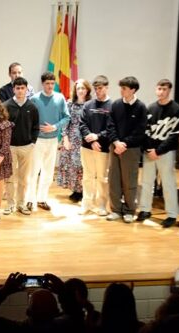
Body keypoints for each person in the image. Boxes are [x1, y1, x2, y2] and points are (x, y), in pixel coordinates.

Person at [138, 79, 179, 228]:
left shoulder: (177, 109)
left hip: (166, 152)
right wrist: (149, 149)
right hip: (150, 152)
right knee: (146, 182)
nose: (161, 92)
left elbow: (174, 136)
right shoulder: (150, 108)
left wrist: (159, 150)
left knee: (168, 183)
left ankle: (171, 214)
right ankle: (145, 209)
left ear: (169, 90)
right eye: (159, 88)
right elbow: (145, 131)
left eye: (164, 89)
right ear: (155, 89)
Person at [106, 76, 148, 223]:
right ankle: (116, 209)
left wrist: (124, 144)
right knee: (114, 180)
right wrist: (116, 142)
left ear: (133, 90)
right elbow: (110, 125)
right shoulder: (116, 105)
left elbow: (140, 131)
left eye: (124, 88)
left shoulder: (141, 107)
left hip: (131, 149)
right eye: (121, 87)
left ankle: (130, 210)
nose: (121, 90)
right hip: (115, 147)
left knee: (129, 180)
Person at [29, 72, 69, 212]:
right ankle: (29, 199)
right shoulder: (34, 99)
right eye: (47, 83)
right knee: (33, 171)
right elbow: (30, 119)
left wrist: (54, 127)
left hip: (52, 140)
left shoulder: (60, 98)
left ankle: (42, 199)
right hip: (38, 140)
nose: (50, 86)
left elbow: (66, 118)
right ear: (42, 84)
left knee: (48, 172)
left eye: (52, 83)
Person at [3, 77, 39, 216]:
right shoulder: (6, 106)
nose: (20, 90)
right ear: (13, 89)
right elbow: (3, 127)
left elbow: (36, 127)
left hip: (26, 147)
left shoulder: (32, 107)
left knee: (24, 178)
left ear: (26, 89)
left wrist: (32, 142)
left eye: (22, 88)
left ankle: (21, 204)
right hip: (10, 147)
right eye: (17, 88)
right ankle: (10, 204)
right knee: (10, 177)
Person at [78, 75, 113, 216]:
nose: (98, 91)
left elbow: (111, 128)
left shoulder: (112, 106)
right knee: (87, 176)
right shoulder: (88, 105)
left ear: (106, 87)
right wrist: (91, 140)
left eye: (100, 88)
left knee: (102, 178)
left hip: (103, 148)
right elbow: (82, 124)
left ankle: (102, 205)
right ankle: (86, 204)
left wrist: (98, 137)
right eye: (96, 88)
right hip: (87, 147)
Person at [57, 78, 90, 204]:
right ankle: (76, 190)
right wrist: (65, 138)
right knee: (72, 166)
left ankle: (84, 190)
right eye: (78, 88)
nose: (81, 91)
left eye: (83, 88)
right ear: (75, 90)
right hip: (71, 138)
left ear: (87, 90)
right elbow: (65, 122)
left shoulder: (91, 104)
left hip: (85, 138)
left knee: (83, 166)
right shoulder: (70, 104)